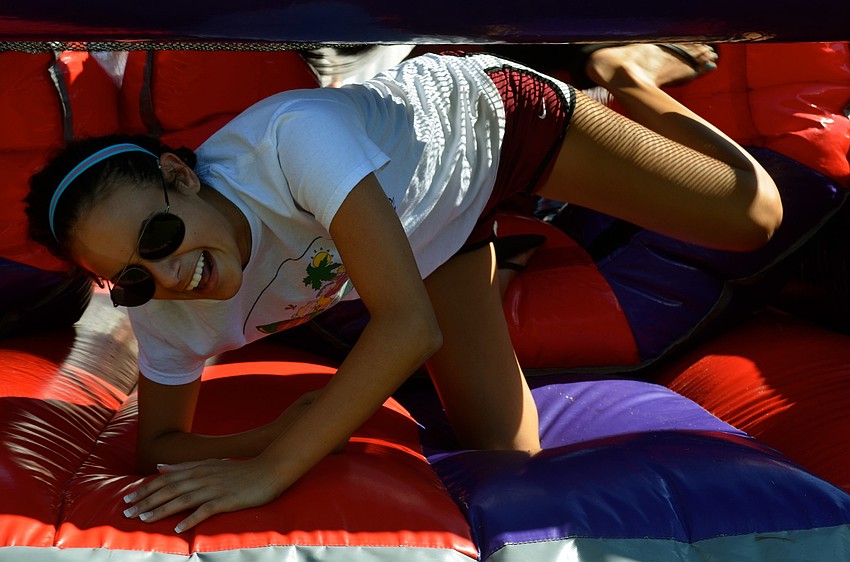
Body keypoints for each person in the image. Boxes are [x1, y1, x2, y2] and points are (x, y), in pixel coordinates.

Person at [25, 44, 782, 534]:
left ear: (182, 176)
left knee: (752, 217)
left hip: (492, 127)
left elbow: (408, 328)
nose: (168, 276)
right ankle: (503, 248)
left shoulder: (290, 140)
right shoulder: (163, 309)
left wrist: (273, 466)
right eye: (131, 276)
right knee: (504, 449)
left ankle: (624, 76)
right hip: (432, 239)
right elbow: (159, 447)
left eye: (159, 237)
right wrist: (277, 429)